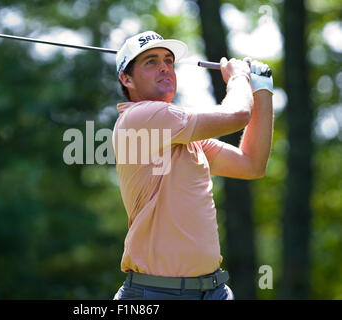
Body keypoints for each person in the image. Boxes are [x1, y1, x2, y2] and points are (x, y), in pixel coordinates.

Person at [112, 31, 273, 300]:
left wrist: (263, 89)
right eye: (150, 62)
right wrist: (238, 77)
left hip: (214, 291)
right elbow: (237, 115)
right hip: (155, 294)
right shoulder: (140, 117)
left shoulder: (185, 138)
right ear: (126, 79)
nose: (164, 67)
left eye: (168, 60)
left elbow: (251, 165)